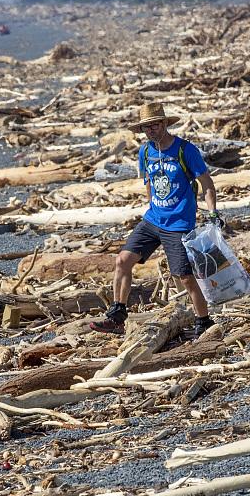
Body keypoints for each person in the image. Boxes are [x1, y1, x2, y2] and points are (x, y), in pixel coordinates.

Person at [90, 102, 223, 336]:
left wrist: (213, 214)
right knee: (122, 260)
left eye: (154, 125)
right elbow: (149, 183)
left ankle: (204, 323)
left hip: (179, 224)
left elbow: (207, 184)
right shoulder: (145, 152)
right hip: (152, 220)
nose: (151, 130)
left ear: (164, 124)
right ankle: (117, 316)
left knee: (185, 277)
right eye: (146, 127)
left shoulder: (185, 150)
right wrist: (153, 206)